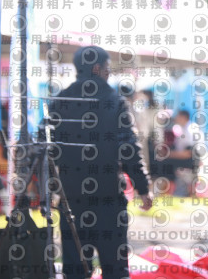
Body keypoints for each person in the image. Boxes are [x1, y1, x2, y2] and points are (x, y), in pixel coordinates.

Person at [48, 46, 152, 278]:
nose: (109, 72)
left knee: (75, 268)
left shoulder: (59, 101)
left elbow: (49, 150)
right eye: (107, 67)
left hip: (71, 197)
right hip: (108, 197)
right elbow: (128, 148)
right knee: (115, 266)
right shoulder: (114, 101)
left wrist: (48, 189)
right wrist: (143, 187)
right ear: (97, 68)